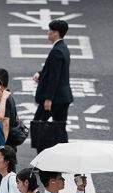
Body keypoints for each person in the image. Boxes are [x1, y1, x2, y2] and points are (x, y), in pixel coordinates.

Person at [32, 20, 73, 152]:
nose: (48, 32)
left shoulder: (57, 51)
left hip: (54, 98)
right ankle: (63, 152)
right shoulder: (63, 48)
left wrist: (48, 98)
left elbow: (55, 77)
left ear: (56, 33)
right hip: (63, 97)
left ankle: (42, 156)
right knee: (59, 128)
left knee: (38, 124)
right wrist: (40, 73)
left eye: (50, 30)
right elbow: (54, 72)